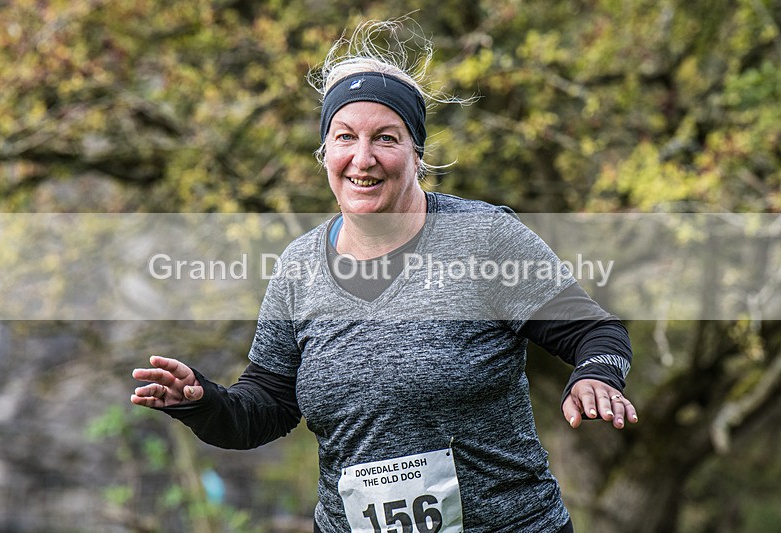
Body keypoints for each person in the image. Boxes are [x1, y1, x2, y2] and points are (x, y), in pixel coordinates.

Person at [131, 19, 638, 532]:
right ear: (325, 152)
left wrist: (596, 374)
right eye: (345, 137)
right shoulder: (298, 268)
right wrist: (203, 403)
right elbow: (267, 406)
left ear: (417, 154)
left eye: (386, 138)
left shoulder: (483, 239)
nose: (363, 158)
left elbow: (597, 333)